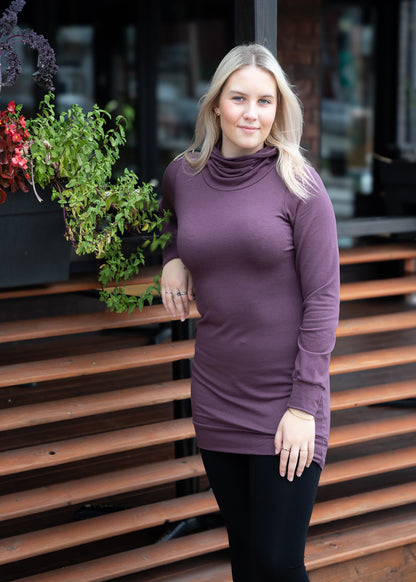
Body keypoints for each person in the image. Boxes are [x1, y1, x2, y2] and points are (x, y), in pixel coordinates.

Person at [161, 43, 340, 582]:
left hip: (287, 402)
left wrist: (304, 406)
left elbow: (323, 298)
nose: (251, 114)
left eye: (265, 101)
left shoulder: (300, 185)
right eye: (239, 98)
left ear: (278, 110)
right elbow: (172, 221)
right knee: (245, 558)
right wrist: (172, 258)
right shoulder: (183, 175)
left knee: (277, 563)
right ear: (216, 104)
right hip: (217, 394)